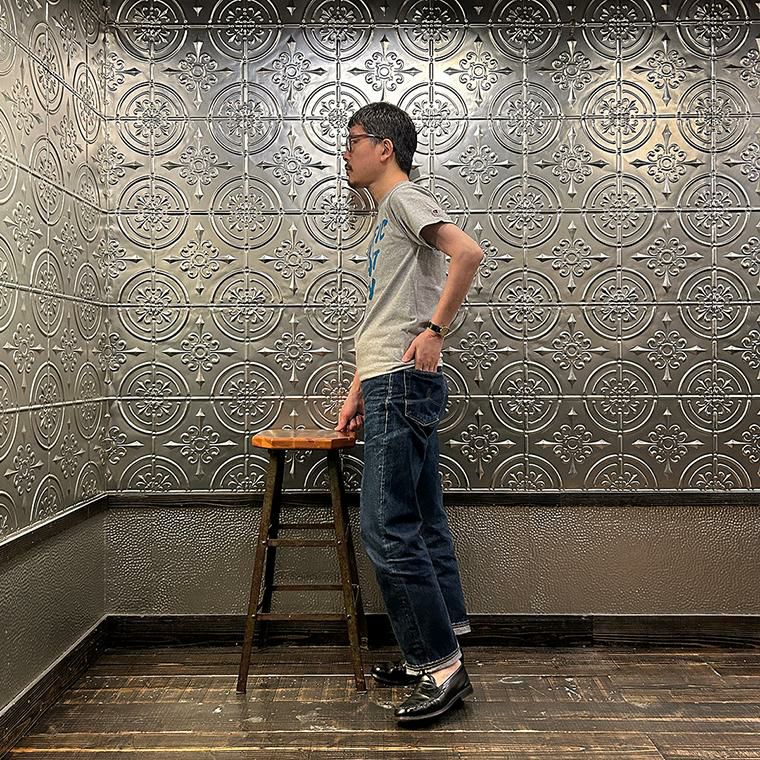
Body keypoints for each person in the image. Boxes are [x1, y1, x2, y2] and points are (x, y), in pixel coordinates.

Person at [334, 102, 484, 724]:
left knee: (386, 528)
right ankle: (438, 650)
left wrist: (435, 330)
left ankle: (441, 667)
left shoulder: (402, 198)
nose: (346, 153)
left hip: (400, 385)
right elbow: (388, 313)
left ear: (384, 148)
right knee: (419, 521)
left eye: (353, 141)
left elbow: (468, 252)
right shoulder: (387, 213)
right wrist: (358, 387)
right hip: (389, 382)